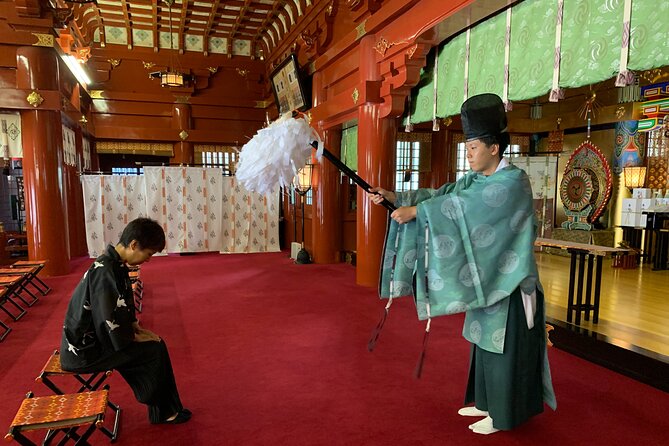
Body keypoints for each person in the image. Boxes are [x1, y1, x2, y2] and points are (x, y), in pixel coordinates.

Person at [369, 93, 556, 435]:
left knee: (503, 349)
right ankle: (486, 403)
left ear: (495, 148)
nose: (468, 154)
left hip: (512, 282)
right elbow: (445, 195)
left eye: (472, 147)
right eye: (467, 148)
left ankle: (504, 415)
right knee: (483, 341)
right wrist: (398, 198)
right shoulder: (477, 179)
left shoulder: (512, 182)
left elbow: (468, 207)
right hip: (489, 276)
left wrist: (419, 213)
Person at [60, 217, 191, 425]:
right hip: (84, 350)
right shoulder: (105, 271)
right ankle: (164, 411)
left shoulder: (115, 264)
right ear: (133, 245)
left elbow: (123, 311)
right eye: (148, 254)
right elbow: (108, 322)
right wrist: (136, 339)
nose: (148, 260)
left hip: (98, 340)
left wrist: (139, 331)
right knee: (152, 352)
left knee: (157, 344)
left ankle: (167, 410)